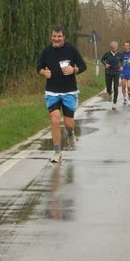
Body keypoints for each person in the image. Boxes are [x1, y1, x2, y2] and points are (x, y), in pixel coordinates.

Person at [37, 26, 87, 163]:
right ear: (51, 36)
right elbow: (38, 68)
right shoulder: (46, 51)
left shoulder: (71, 50)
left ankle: (70, 133)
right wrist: (44, 73)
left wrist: (74, 69)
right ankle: (57, 152)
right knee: (54, 120)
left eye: (59, 36)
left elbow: (83, 66)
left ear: (64, 37)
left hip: (69, 91)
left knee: (69, 124)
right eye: (54, 36)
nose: (56, 39)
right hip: (52, 91)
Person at [101, 41, 122, 110]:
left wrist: (122, 66)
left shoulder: (120, 54)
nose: (114, 48)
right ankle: (109, 94)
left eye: (115, 47)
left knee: (116, 87)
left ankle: (114, 103)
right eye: (113, 47)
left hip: (116, 72)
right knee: (108, 87)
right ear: (111, 47)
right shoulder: (107, 54)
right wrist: (105, 64)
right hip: (108, 72)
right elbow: (102, 59)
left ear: (117, 47)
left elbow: (123, 61)